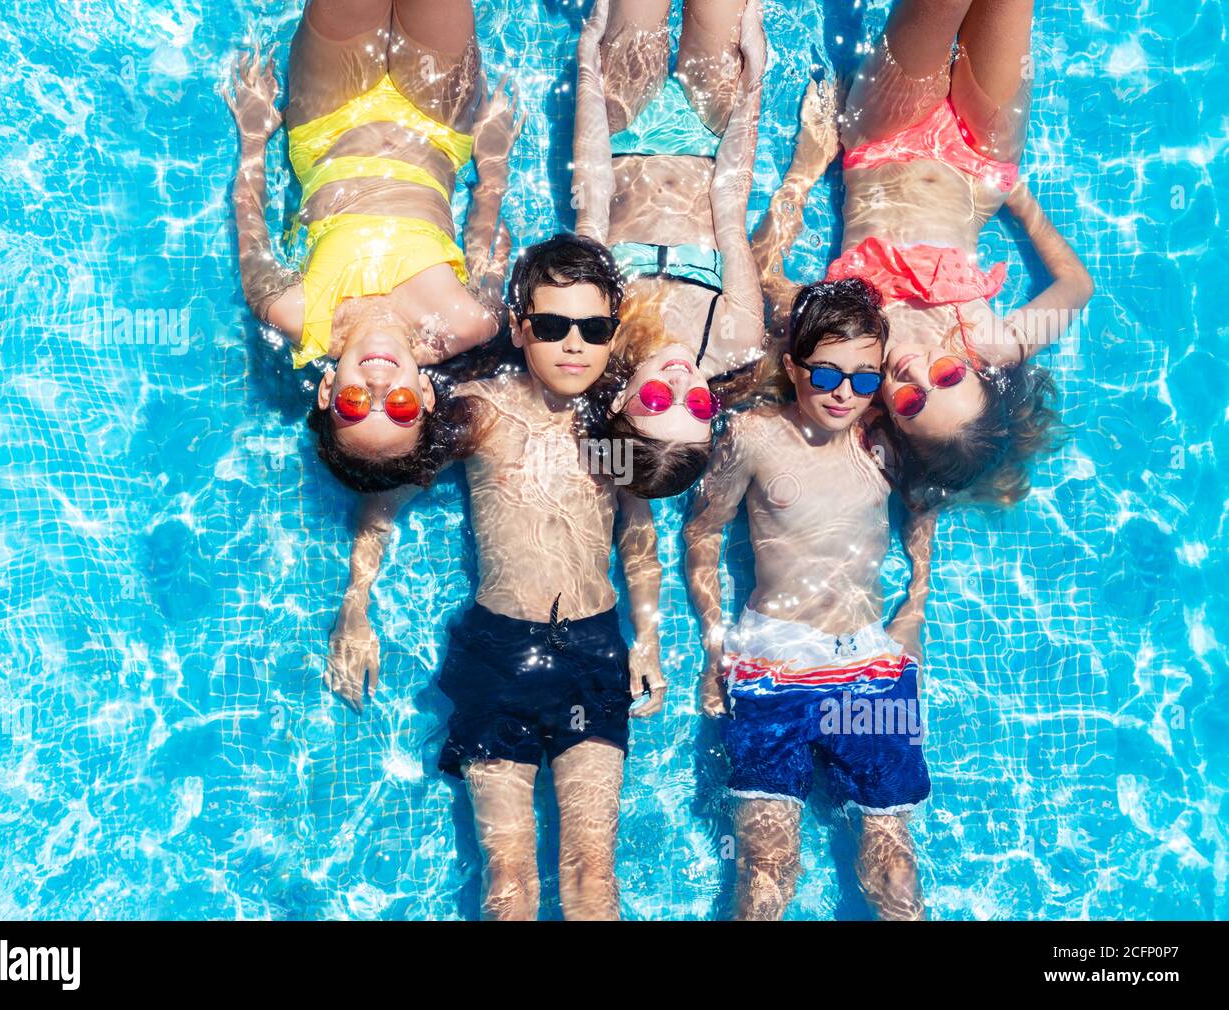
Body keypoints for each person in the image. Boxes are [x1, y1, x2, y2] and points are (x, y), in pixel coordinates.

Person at [327, 234, 667, 920]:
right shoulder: (480, 410)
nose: (573, 345)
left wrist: (649, 636)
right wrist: (355, 606)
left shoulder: (615, 420)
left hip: (593, 654)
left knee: (592, 871)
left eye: (593, 329)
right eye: (551, 326)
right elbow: (386, 495)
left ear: (612, 334)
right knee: (508, 877)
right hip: (498, 658)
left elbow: (638, 533)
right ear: (519, 327)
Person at [754, 0, 1094, 507]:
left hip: (883, 142)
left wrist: (806, 168)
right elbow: (1078, 287)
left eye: (912, 400)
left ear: (891, 415)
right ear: (979, 376)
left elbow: (761, 270)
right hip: (982, 158)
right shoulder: (993, 344)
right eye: (948, 376)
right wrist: (1023, 206)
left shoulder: (850, 346)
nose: (916, 372)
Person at [685, 278, 936, 921]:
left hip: (872, 667)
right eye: (826, 375)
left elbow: (924, 517)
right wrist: (717, 642)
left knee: (895, 865)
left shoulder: (884, 440)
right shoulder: (753, 436)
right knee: (768, 872)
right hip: (775, 663)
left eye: (863, 376)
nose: (845, 393)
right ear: (794, 368)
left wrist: (913, 609)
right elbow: (704, 533)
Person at [224, 0, 524, 491]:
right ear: (424, 394)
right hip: (438, 123)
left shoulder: (292, 311)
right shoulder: (467, 322)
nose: (379, 389)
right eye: (400, 407)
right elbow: (487, 239)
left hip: (328, 116)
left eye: (355, 405)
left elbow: (248, 216)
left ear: (326, 391)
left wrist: (254, 137)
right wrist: (493, 161)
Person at [571, 0, 769, 498]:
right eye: (700, 408)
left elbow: (593, 201)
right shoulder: (736, 338)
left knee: (636, 13)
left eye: (658, 401)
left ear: (619, 402)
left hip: (622, 128)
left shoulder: (600, 334)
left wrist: (588, 66)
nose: (683, 386)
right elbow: (729, 206)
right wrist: (753, 82)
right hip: (709, 132)